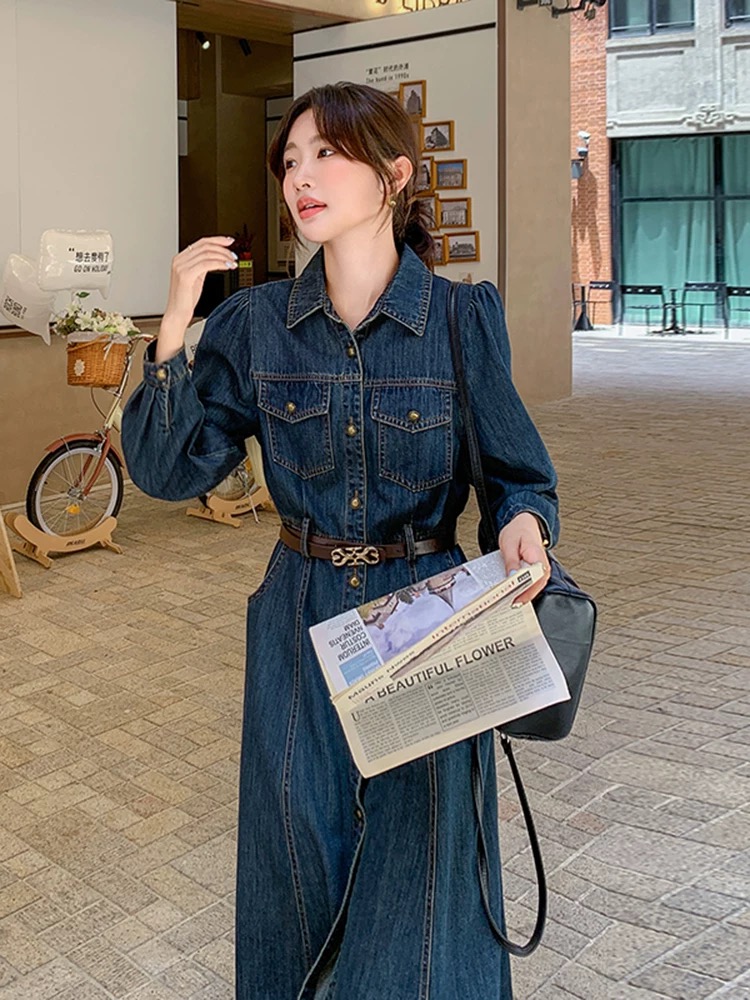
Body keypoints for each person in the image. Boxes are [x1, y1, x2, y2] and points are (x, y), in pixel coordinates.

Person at [121, 81, 559, 1000]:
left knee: (424, 877)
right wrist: (175, 323)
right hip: (299, 614)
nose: (300, 177)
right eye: (290, 159)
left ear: (394, 175)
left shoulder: (459, 319)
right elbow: (167, 472)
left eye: (326, 153)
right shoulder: (255, 324)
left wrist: (525, 525)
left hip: (428, 618)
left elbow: (518, 474)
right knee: (295, 858)